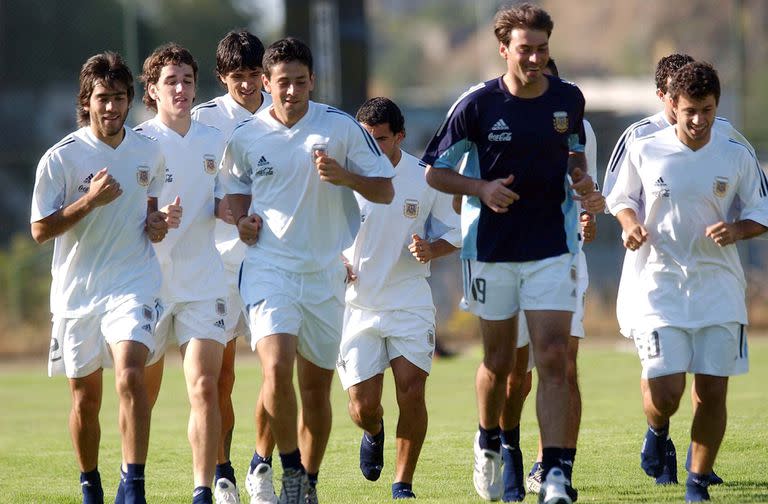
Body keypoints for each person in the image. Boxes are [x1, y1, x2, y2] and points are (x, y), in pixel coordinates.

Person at [422, 4, 604, 503]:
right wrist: (480, 187)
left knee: (553, 357)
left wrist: (583, 181)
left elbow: (573, 154)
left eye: (543, 48)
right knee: (501, 364)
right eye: (526, 49)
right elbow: (434, 171)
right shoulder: (477, 104)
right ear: (504, 49)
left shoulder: (569, 98)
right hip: (492, 251)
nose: (536, 58)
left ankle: (556, 475)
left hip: (553, 248)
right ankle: (489, 439)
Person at [220, 37, 395, 504]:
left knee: (315, 390)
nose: (292, 91)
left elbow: (384, 191)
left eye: (300, 82)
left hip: (323, 273)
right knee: (275, 370)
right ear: (266, 82)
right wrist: (242, 220)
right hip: (268, 269)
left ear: (312, 80)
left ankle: (308, 483)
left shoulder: (339, 127)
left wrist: (347, 177)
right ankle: (291, 467)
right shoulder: (246, 135)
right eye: (283, 83)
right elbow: (233, 190)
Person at [606, 61, 767, 502]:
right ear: (672, 106)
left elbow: (761, 211)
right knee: (668, 391)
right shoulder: (645, 147)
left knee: (712, 387)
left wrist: (737, 230)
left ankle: (697, 481)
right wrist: (629, 224)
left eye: (708, 110)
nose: (700, 121)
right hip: (660, 285)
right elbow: (619, 198)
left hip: (718, 285)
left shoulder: (735, 151)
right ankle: (657, 430)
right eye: (691, 110)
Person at [30, 51, 168, 504]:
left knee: (130, 375)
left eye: (120, 98)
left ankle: (134, 484)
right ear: (86, 101)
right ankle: (90, 483)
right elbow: (39, 229)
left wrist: (158, 224)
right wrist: (88, 202)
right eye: (103, 98)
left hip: (134, 282)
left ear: (131, 101)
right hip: (78, 294)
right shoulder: (60, 158)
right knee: (85, 402)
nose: (111, 107)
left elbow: (153, 210)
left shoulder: (149, 151)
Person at [337, 97, 461, 500]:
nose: (372, 147)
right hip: (356, 306)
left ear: (400, 137)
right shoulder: (342, 177)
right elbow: (319, 230)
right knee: (363, 406)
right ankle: (373, 432)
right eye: (366, 139)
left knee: (411, 390)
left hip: (409, 302)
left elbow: (456, 231)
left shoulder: (426, 178)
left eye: (382, 139)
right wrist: (336, 259)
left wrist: (431, 248)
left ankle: (402, 484)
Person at [495, 57, 598, 503]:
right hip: (510, 259)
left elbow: (583, 184)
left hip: (564, 257)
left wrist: (588, 214)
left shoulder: (577, 125)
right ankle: (510, 447)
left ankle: (556, 468)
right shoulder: (492, 115)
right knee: (517, 375)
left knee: (563, 363)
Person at [135, 43, 228, 504]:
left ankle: (202, 490)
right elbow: (130, 215)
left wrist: (235, 213)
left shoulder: (214, 140)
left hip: (203, 280)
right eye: (170, 81)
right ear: (152, 90)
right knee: (142, 395)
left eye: (187, 80)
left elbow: (221, 197)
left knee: (205, 385)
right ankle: (133, 479)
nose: (181, 88)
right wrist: (152, 222)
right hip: (149, 283)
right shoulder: (139, 142)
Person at [191, 29, 276, 504]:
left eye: (253, 75)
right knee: (221, 376)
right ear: (222, 77)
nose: (247, 85)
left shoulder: (286, 112)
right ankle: (222, 471)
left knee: (274, 369)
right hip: (219, 264)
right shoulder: (201, 119)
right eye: (236, 77)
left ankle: (260, 462)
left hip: (272, 260)